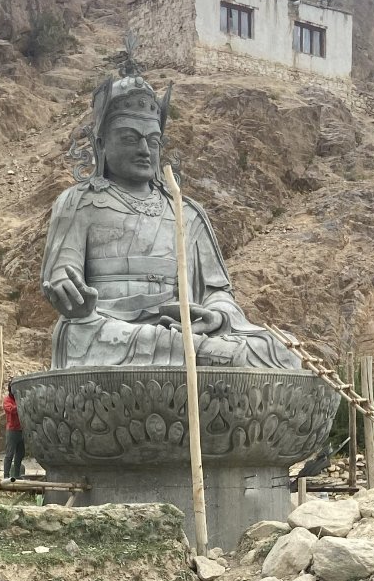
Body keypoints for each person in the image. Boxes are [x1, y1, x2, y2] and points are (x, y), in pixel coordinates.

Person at [41, 74, 301, 372]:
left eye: (152, 140)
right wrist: (69, 294)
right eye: (129, 138)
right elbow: (62, 275)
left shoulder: (186, 212)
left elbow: (218, 293)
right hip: (108, 329)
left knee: (282, 352)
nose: (144, 149)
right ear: (101, 144)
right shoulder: (79, 202)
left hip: (183, 330)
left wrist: (216, 316)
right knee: (179, 349)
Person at [2, 384, 25, 482]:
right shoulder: (7, 400)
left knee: (20, 453)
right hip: (12, 430)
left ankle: (16, 474)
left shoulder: (18, 399)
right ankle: (6, 476)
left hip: (21, 429)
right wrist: (21, 405)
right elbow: (11, 410)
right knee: (9, 454)